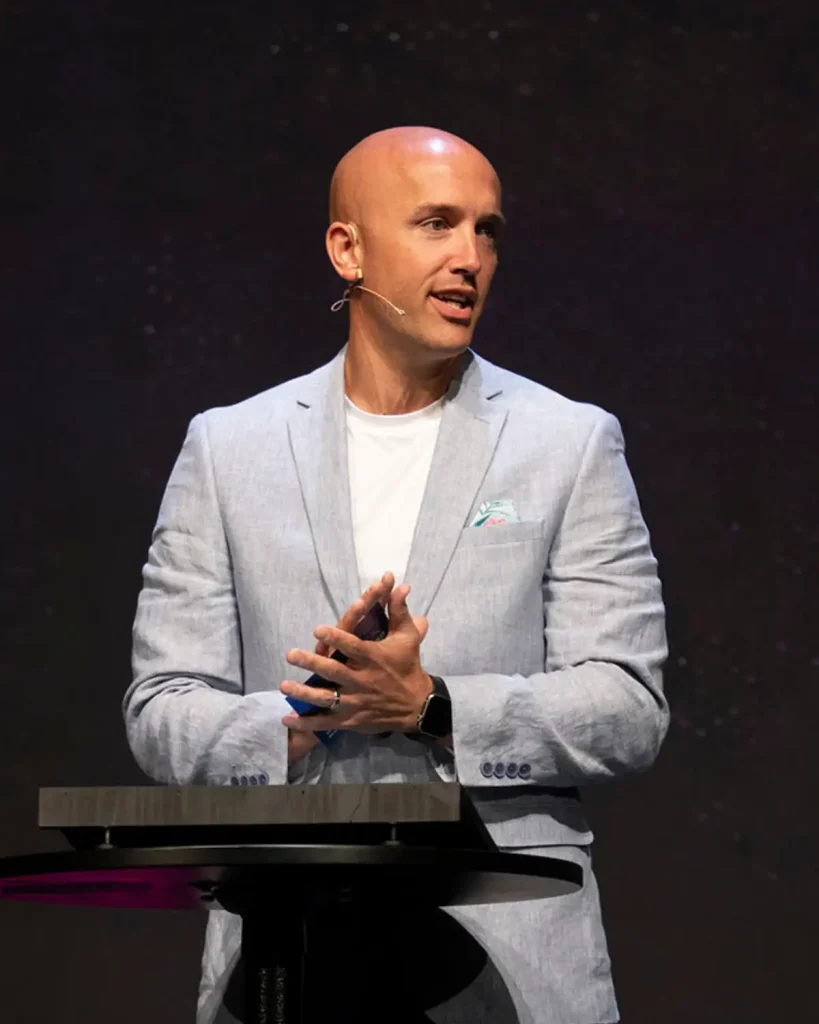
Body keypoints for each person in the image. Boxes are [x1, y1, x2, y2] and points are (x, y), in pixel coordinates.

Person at [125, 125, 669, 1024]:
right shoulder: (228, 449)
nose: (469, 257)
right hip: (286, 949)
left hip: (507, 952)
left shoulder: (568, 442)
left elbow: (626, 705)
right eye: (435, 223)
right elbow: (161, 708)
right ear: (348, 249)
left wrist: (432, 705)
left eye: (486, 230)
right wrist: (302, 715)